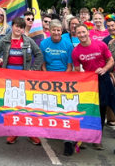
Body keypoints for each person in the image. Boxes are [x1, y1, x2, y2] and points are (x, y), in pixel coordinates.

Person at [0, 17, 43, 145]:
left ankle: (31, 133)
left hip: (24, 79)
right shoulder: (5, 40)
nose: (19, 29)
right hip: (8, 78)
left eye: (21, 27)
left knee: (26, 106)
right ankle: (13, 132)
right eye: (16, 26)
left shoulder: (28, 41)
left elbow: (39, 55)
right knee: (13, 105)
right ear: (12, 26)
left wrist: (33, 70)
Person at [71, 23, 115, 150]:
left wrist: (104, 69)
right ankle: (86, 136)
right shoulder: (76, 51)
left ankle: (97, 138)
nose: (81, 35)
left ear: (88, 32)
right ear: (76, 35)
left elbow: (111, 60)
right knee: (88, 108)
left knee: (101, 109)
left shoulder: (100, 44)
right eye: (79, 33)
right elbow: (76, 69)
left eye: (83, 32)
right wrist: (82, 78)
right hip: (88, 82)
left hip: (103, 79)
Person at [40, 19, 74, 155]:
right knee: (51, 106)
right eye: (53, 30)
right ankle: (54, 131)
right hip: (48, 79)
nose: (56, 32)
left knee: (65, 109)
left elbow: (70, 65)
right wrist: (47, 77)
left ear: (61, 31)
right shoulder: (43, 43)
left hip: (64, 79)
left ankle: (68, 141)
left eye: (58, 30)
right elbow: (42, 63)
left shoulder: (68, 44)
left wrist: (62, 79)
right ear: (50, 31)